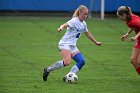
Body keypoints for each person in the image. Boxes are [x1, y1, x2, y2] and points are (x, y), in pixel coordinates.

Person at [43, 5, 102, 81]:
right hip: (64, 44)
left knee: (81, 61)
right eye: (84, 14)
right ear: (79, 13)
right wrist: (61, 27)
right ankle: (48, 70)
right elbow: (65, 25)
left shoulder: (83, 23)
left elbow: (87, 33)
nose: (86, 16)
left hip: (72, 46)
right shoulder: (74, 20)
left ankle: (68, 76)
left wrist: (96, 42)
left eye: (87, 14)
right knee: (67, 62)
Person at [117, 6, 140, 75]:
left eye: (120, 16)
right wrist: (127, 34)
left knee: (139, 62)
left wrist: (135, 37)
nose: (120, 18)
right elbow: (133, 26)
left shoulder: (133, 21)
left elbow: (134, 24)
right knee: (133, 60)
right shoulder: (130, 18)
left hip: (138, 38)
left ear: (124, 15)